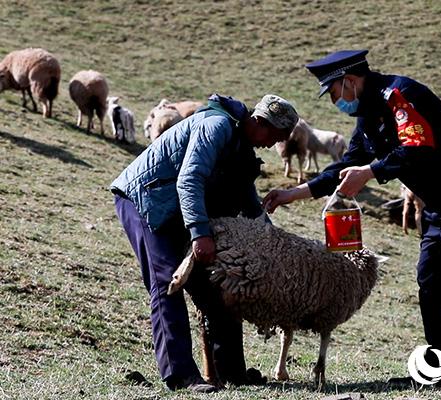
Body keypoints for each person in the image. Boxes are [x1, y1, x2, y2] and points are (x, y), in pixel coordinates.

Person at [263, 50, 441, 390]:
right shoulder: (367, 117)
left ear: (349, 81)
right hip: (438, 206)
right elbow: (344, 166)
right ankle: (436, 370)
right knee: (432, 282)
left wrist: (370, 172)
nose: (334, 100)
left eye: (334, 92)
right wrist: (293, 193)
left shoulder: (399, 96)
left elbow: (417, 148)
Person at [110, 93, 299, 392]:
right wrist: (199, 233)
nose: (273, 145)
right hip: (145, 198)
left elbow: (248, 202)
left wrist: (275, 244)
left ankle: (232, 373)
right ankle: (181, 376)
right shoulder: (217, 126)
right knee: (167, 282)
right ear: (260, 122)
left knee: (215, 287)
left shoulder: (241, 147)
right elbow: (190, 178)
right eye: (274, 136)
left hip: (178, 208)